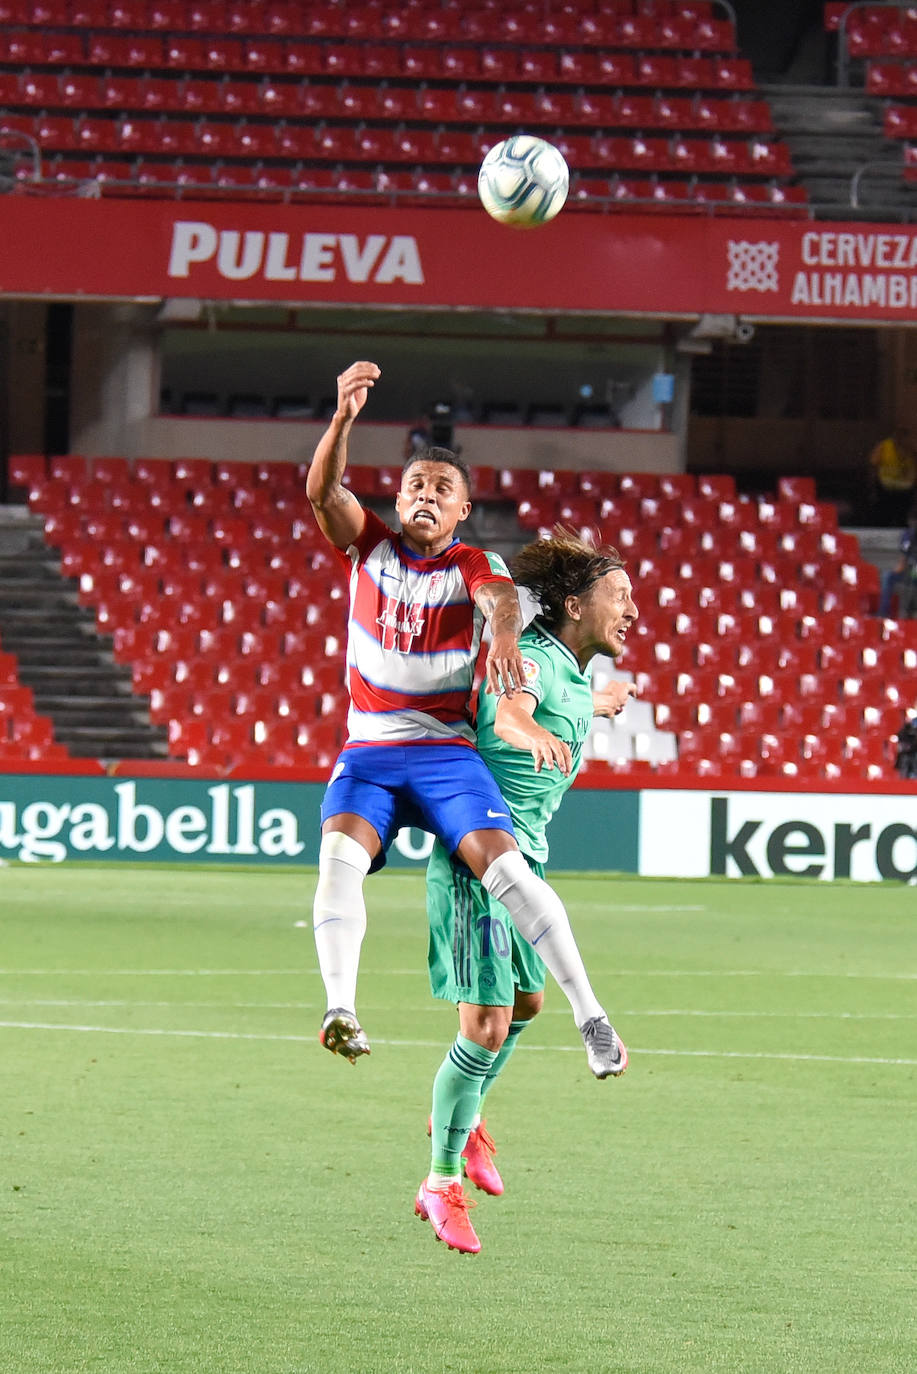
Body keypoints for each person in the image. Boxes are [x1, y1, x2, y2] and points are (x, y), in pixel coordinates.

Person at [306, 361, 627, 1087]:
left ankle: (591, 1015)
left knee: (506, 869)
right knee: (337, 863)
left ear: (459, 512)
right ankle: (340, 1008)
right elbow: (322, 491)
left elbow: (501, 601)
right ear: (397, 497)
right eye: (416, 484)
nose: (426, 495)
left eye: (441, 489)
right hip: (370, 752)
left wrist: (505, 636)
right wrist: (342, 420)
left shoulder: (472, 563)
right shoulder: (370, 548)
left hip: (445, 755)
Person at [415, 530, 638, 1254]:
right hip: (478, 857)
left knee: (528, 1004)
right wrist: (521, 731)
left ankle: (466, 1114)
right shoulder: (535, 659)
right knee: (481, 1026)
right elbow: (513, 706)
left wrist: (602, 702)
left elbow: (568, 699)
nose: (631, 610)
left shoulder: (570, 670)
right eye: (618, 596)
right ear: (574, 603)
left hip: (526, 861)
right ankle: (440, 1178)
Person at [868, 426, 916, 527]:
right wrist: (873, 487)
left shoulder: (912, 449)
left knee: (902, 519)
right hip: (886, 490)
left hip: (905, 491)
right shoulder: (884, 447)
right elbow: (873, 466)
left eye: (904, 437)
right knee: (884, 518)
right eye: (898, 437)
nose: (900, 440)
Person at [878, 514, 917, 617]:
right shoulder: (908, 535)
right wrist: (901, 566)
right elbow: (904, 555)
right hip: (909, 570)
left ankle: (910, 610)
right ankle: (884, 613)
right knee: (887, 576)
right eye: (913, 521)